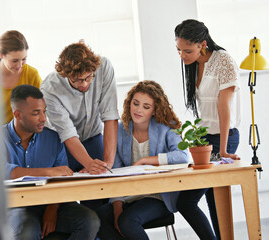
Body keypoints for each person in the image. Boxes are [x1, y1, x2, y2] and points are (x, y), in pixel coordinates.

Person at [3, 85, 100, 240]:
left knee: (89, 221)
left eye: (44, 111)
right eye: (36, 113)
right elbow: (7, 173)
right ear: (18, 114)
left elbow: (62, 179)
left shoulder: (53, 138)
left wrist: (52, 208)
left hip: (51, 202)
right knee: (27, 231)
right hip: (16, 207)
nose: (43, 118)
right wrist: (48, 172)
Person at [95, 80, 189, 240]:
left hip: (158, 197)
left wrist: (146, 160)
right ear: (129, 103)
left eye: (146, 107)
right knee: (98, 218)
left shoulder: (166, 127)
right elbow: (115, 172)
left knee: (128, 221)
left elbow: (182, 156)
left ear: (154, 110)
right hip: (129, 195)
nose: (138, 110)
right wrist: (117, 208)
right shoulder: (118, 131)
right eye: (135, 103)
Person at [175, 19, 241, 240]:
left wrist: (222, 152)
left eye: (187, 50)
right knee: (212, 201)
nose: (182, 56)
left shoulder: (223, 60)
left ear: (202, 44)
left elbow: (224, 108)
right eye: (179, 50)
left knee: (190, 201)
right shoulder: (194, 63)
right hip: (205, 139)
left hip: (224, 137)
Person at [40, 40, 119, 209]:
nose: (83, 84)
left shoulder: (104, 68)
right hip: (62, 145)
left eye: (88, 77)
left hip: (93, 136)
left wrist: (107, 164)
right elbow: (67, 133)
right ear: (65, 75)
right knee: (64, 200)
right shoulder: (49, 88)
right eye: (76, 80)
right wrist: (89, 164)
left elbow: (110, 116)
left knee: (100, 198)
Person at [0, 30, 42, 124]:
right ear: (1, 55)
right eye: (14, 61)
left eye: (24, 59)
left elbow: (42, 107)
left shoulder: (32, 74)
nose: (20, 65)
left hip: (24, 132)